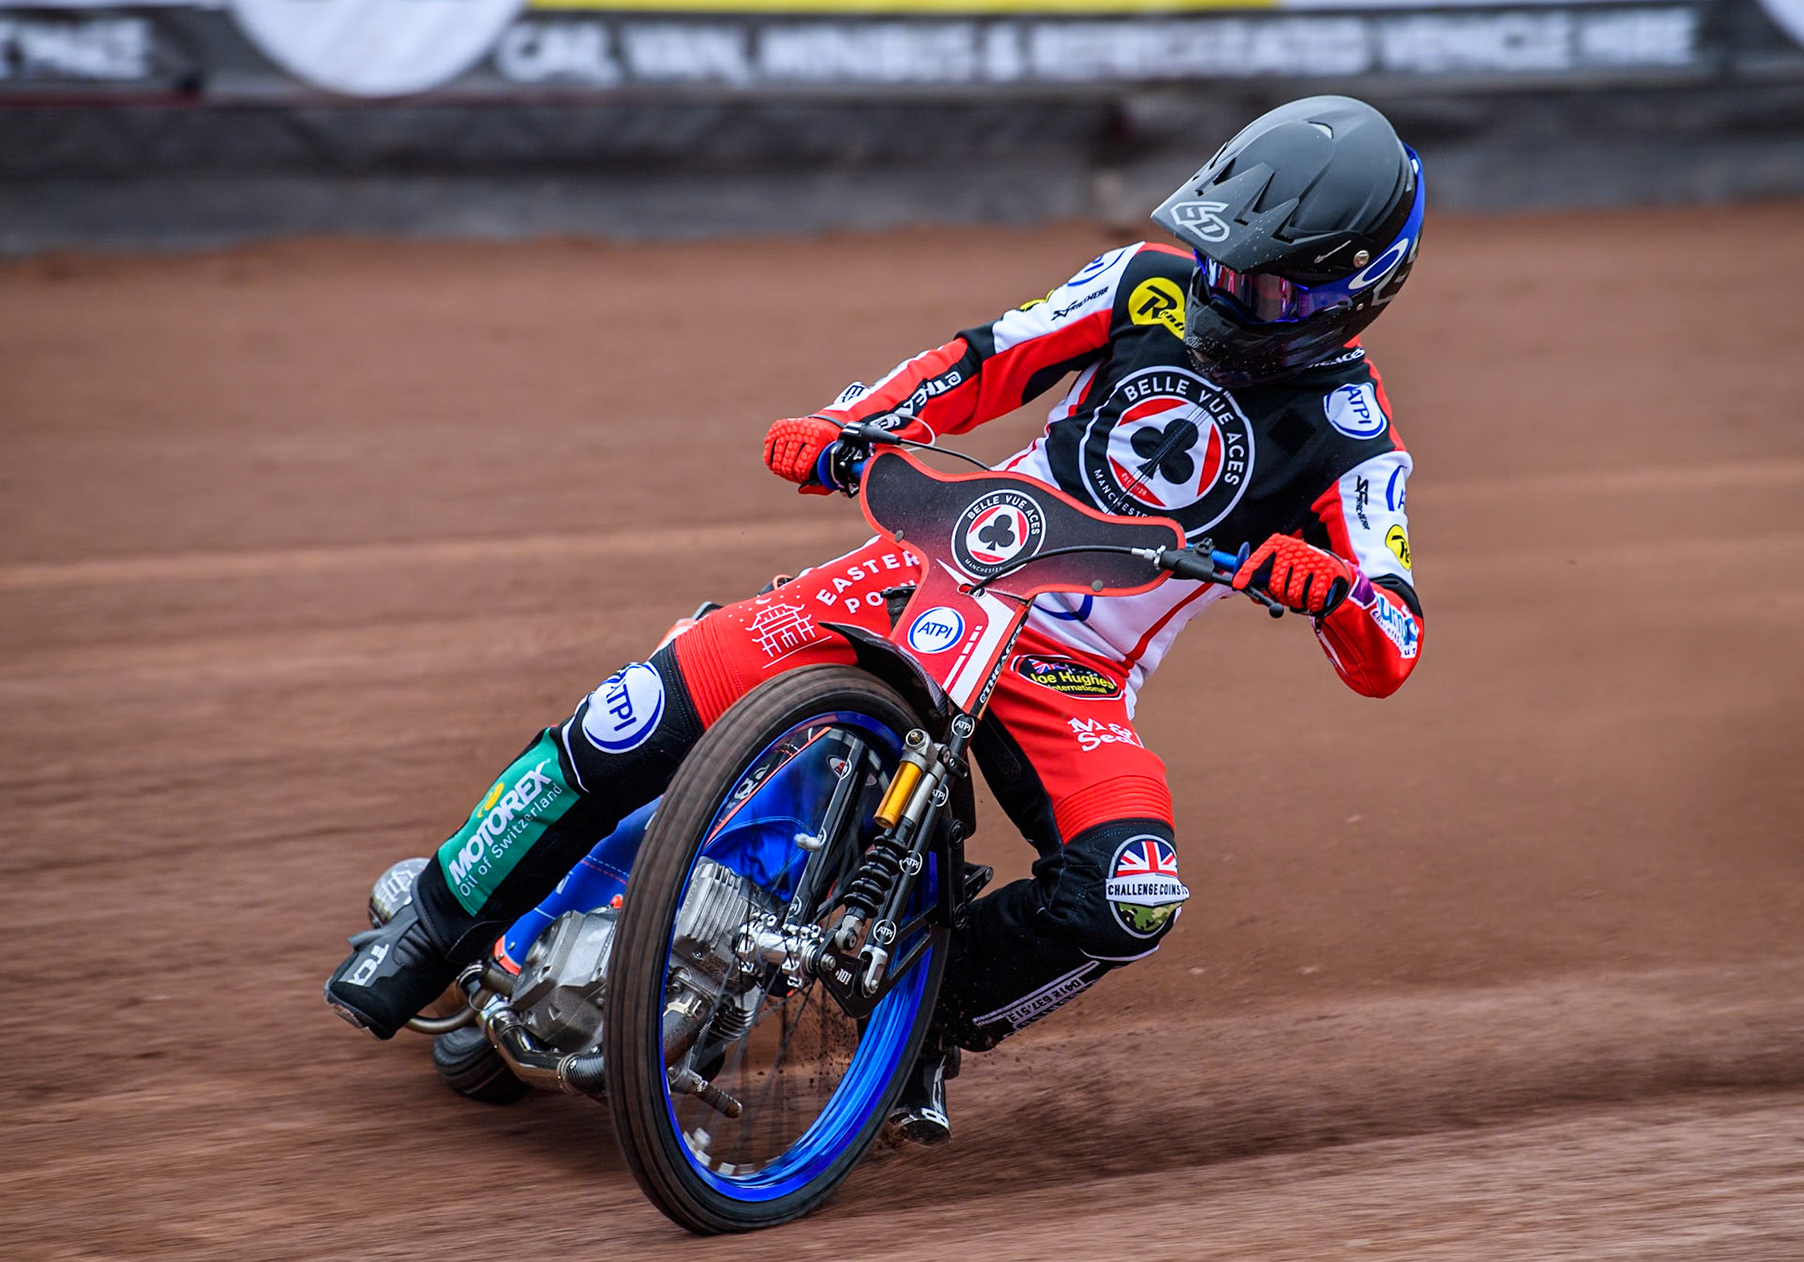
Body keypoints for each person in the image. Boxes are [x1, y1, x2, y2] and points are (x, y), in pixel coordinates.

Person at [326, 94, 1428, 1144]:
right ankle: (431, 918)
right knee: (638, 710)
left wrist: (1329, 589)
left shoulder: (1353, 433)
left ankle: (922, 1026)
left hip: (1074, 673)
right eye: (1220, 256)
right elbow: (982, 360)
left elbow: (1394, 636)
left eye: (1267, 284)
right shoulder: (1146, 280)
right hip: (936, 562)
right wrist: (848, 426)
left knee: (1131, 891)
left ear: (1354, 290)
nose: (1225, 290)